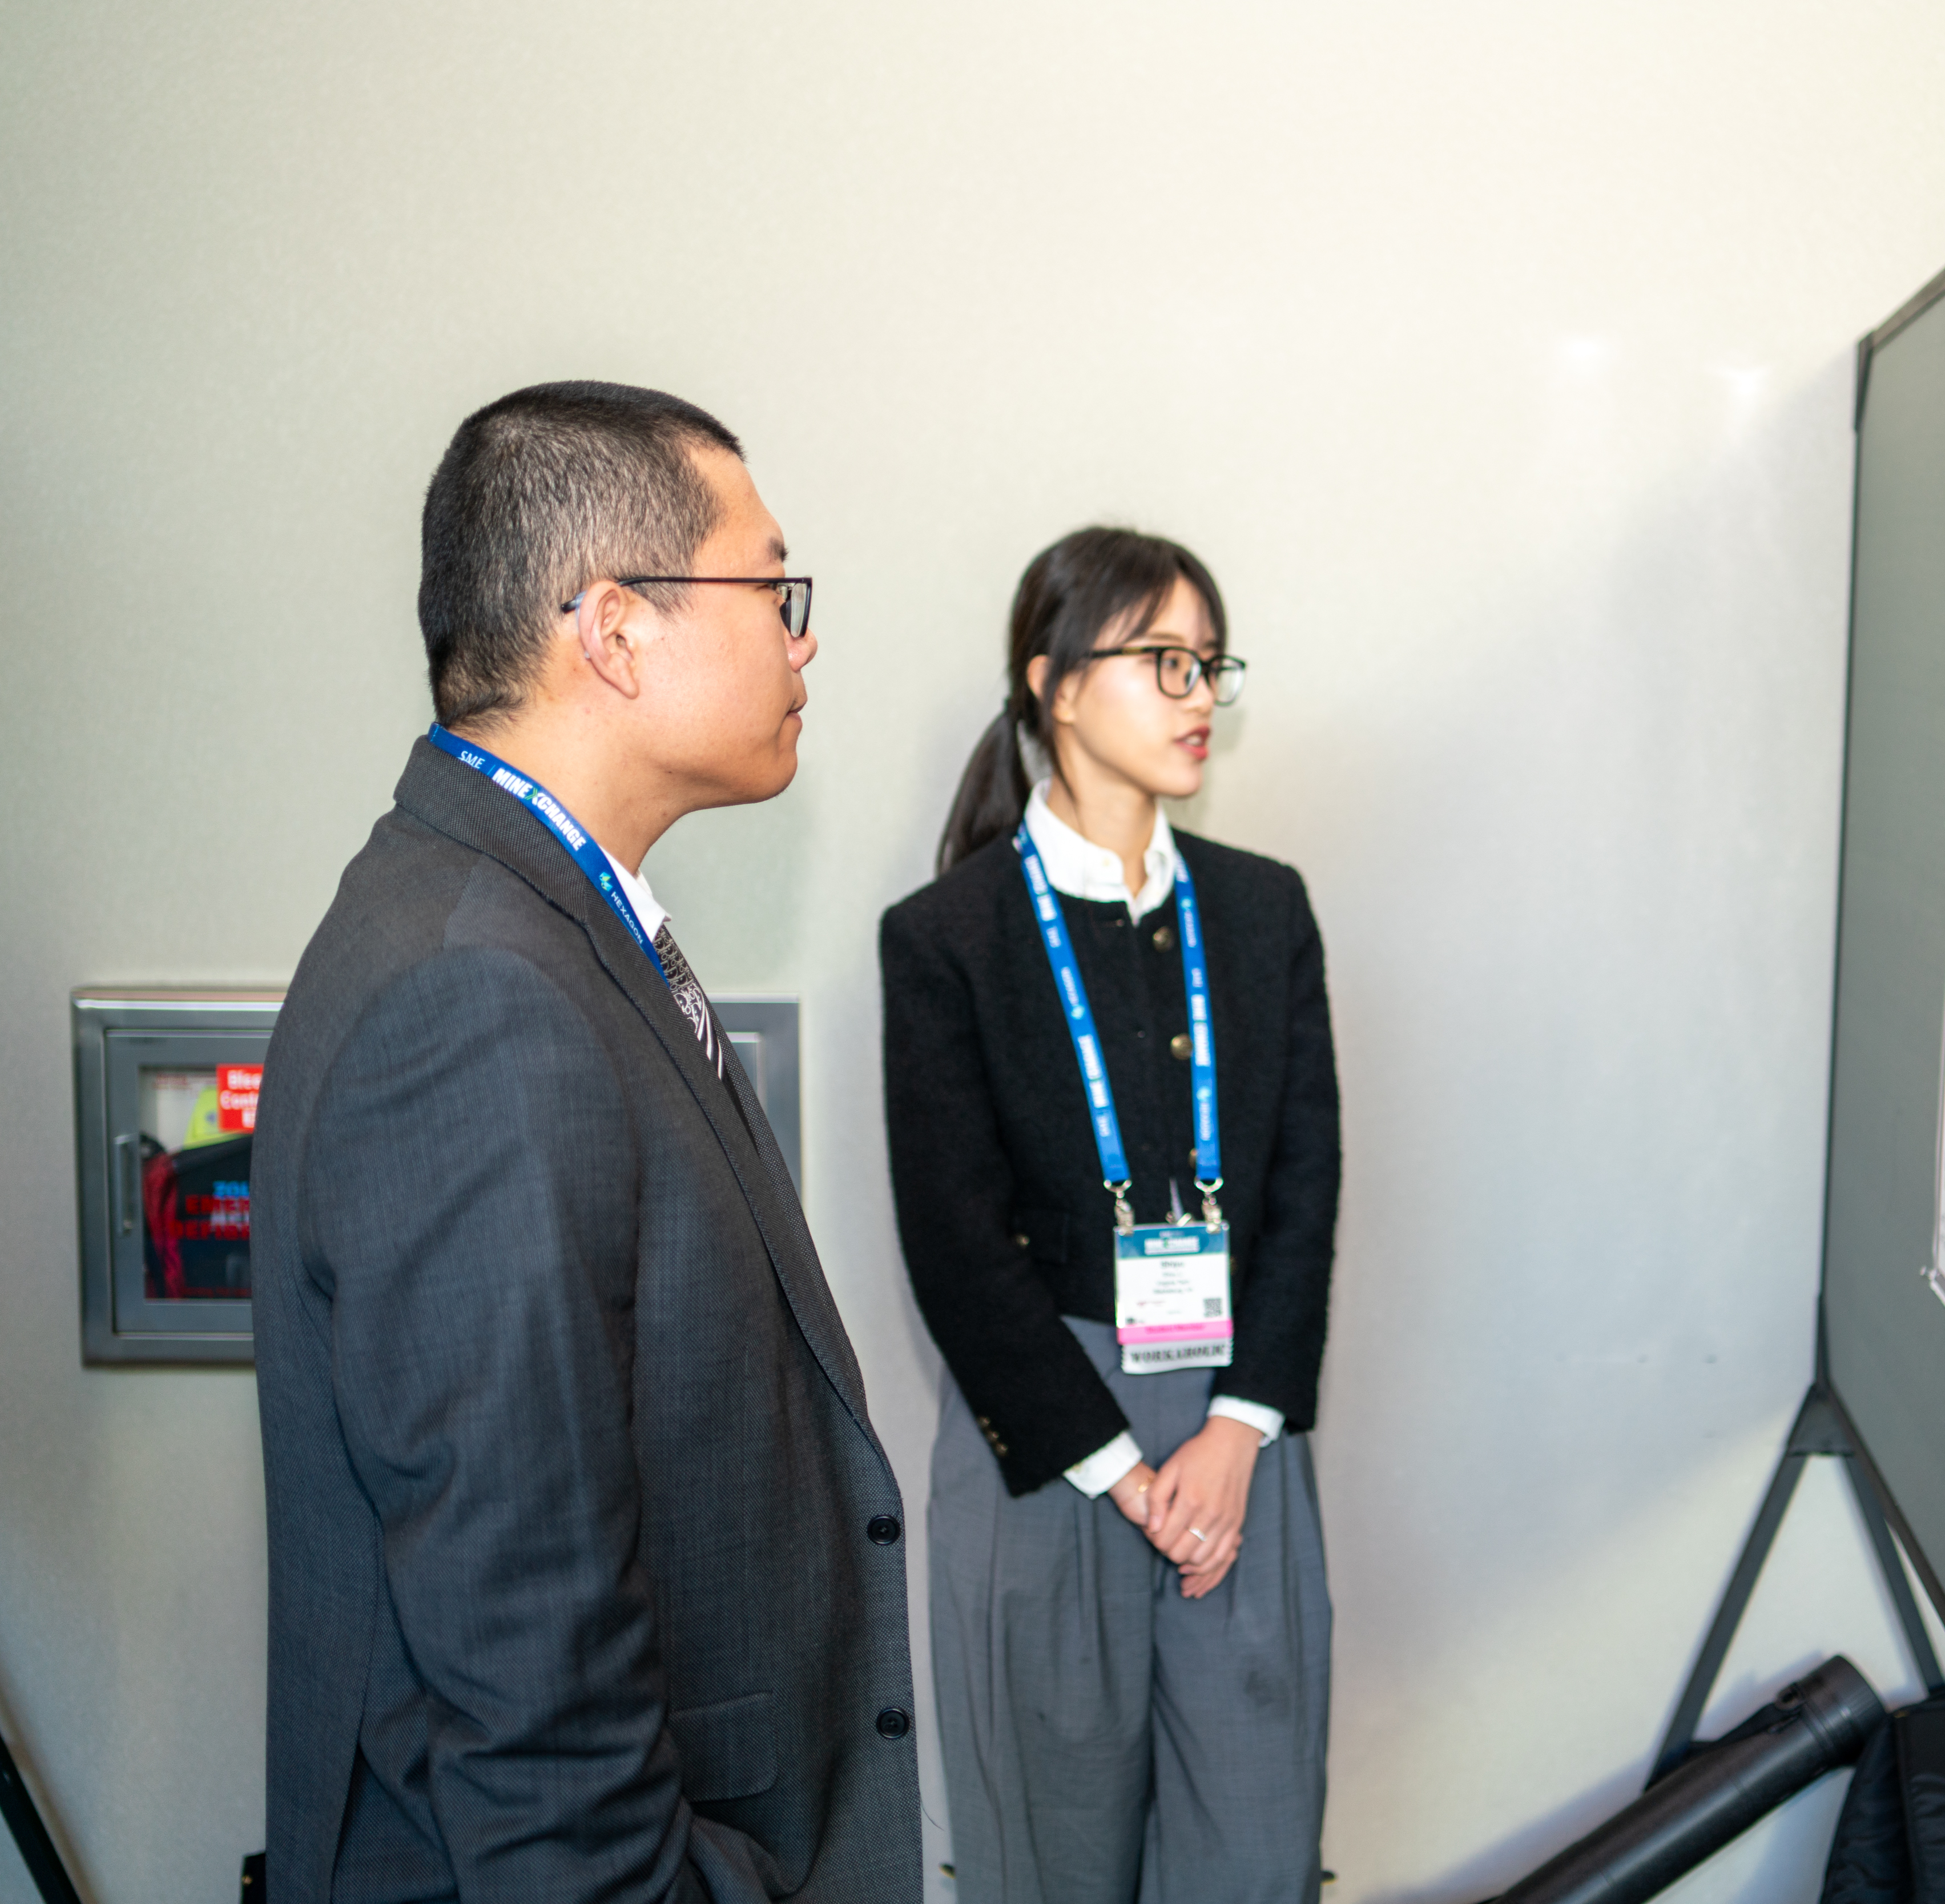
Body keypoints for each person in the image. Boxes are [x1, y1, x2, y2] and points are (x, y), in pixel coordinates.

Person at [252, 382, 920, 1901]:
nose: (802, 637)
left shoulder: (534, 923)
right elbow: (532, 1691)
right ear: (614, 629)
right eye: (772, 587)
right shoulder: (479, 993)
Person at [880, 528, 1340, 1904]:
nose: (1200, 695)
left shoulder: (1263, 915)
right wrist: (1122, 1471)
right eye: (1164, 663)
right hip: (1048, 1442)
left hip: (1238, 1447)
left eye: (1211, 666)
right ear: (1056, 685)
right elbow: (952, 1243)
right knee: (1049, 1855)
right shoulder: (947, 936)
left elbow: (1303, 1196)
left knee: (1252, 1853)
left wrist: (1236, 1430)